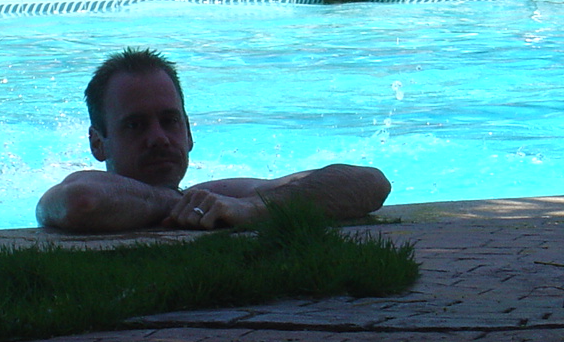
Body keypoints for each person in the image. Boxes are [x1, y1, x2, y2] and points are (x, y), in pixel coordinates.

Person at [36, 48, 391, 233]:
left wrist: (252, 209)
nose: (158, 138)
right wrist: (178, 203)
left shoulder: (216, 196)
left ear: (189, 132)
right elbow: (82, 201)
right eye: (135, 125)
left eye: (170, 121)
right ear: (98, 144)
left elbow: (369, 182)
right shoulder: (86, 187)